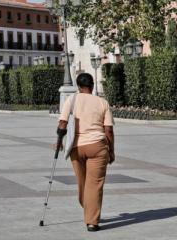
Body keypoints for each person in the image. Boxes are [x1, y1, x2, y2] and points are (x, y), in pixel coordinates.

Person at [56, 72, 115, 232]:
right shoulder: (102, 102)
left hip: (76, 147)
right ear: (92, 85)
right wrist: (112, 150)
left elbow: (62, 123)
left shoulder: (72, 100)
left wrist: (59, 142)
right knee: (94, 185)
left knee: (83, 184)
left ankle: (90, 212)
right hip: (97, 146)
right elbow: (108, 130)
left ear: (78, 86)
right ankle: (92, 220)